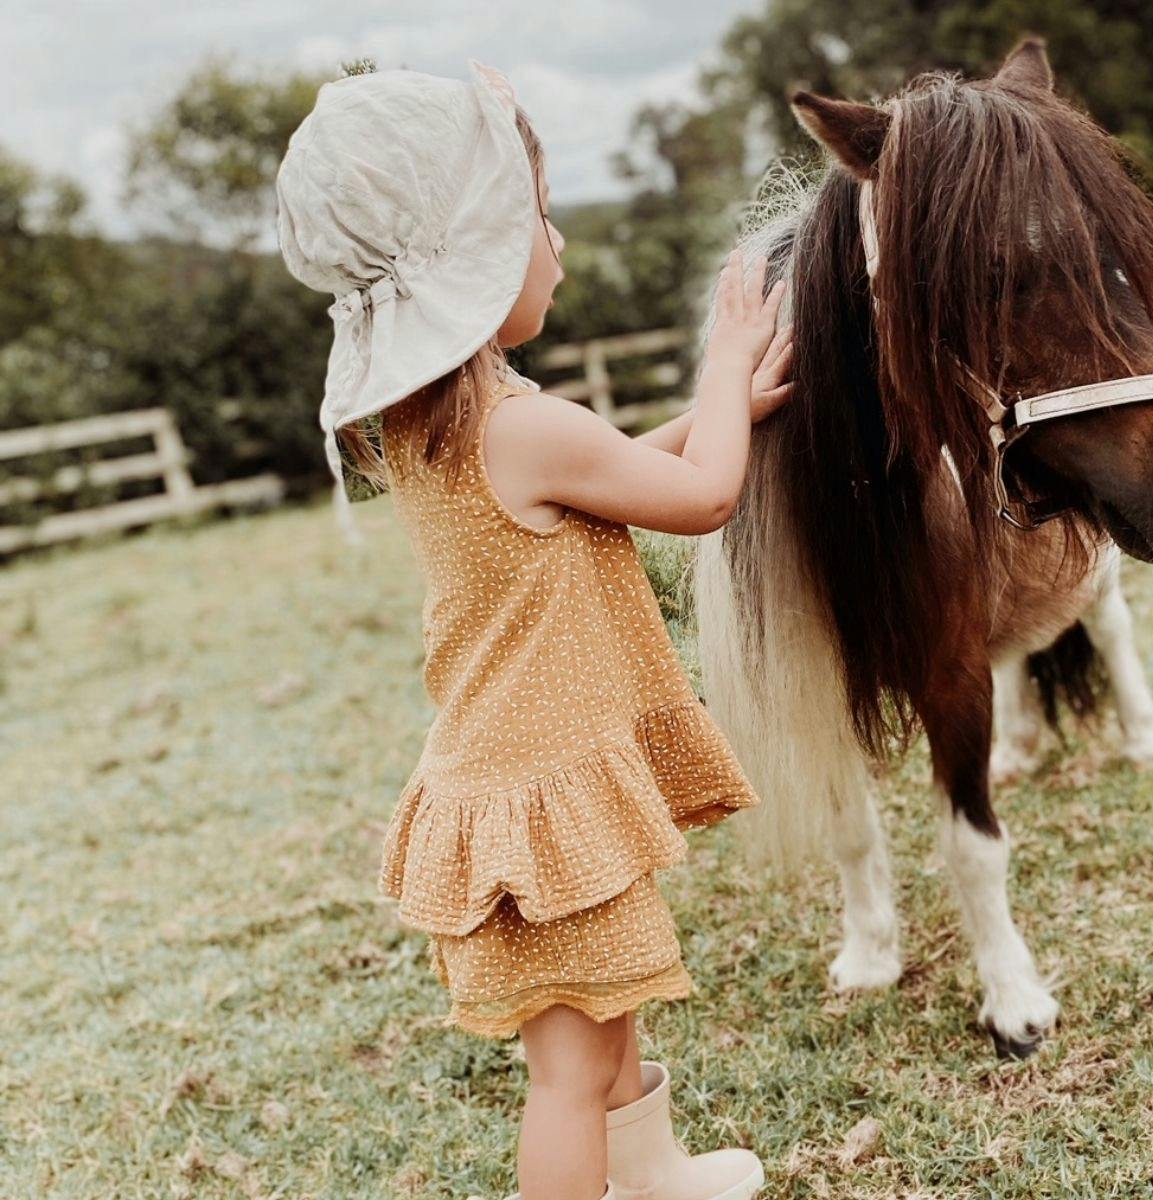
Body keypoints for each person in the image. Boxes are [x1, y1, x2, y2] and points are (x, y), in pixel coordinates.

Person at [275, 59, 792, 1200]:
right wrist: (724, 358)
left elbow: (599, 486)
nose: (554, 242)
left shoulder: (437, 427)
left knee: (605, 1026)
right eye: (536, 219)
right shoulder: (523, 424)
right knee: (567, 1071)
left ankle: (648, 1178)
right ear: (474, 262)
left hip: (518, 782)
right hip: (534, 807)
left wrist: (722, 414)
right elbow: (704, 499)